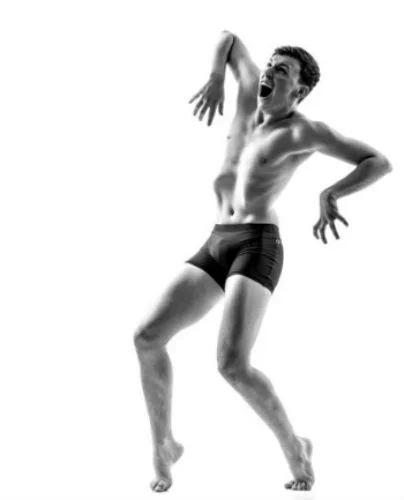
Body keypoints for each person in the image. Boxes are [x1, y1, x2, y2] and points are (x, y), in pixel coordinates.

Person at [134, 30, 392, 493]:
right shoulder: (249, 94)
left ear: (300, 90)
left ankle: (297, 449)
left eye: (283, 71)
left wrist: (332, 192)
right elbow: (229, 40)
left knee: (232, 364)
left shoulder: (304, 131)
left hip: (257, 246)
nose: (270, 72)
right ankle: (165, 446)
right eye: (271, 64)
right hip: (218, 239)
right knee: (147, 337)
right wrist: (217, 77)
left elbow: (377, 161)